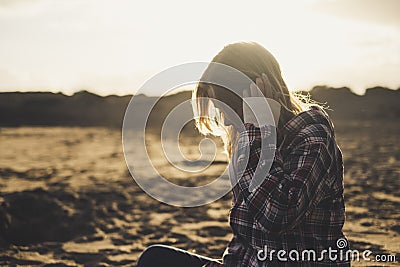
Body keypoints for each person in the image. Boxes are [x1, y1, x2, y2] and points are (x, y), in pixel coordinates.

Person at [136, 42, 349, 266]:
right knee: (154, 258)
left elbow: (278, 216)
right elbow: (245, 236)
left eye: (226, 108)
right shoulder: (245, 137)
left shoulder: (311, 135)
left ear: (251, 95)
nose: (225, 120)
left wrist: (259, 133)